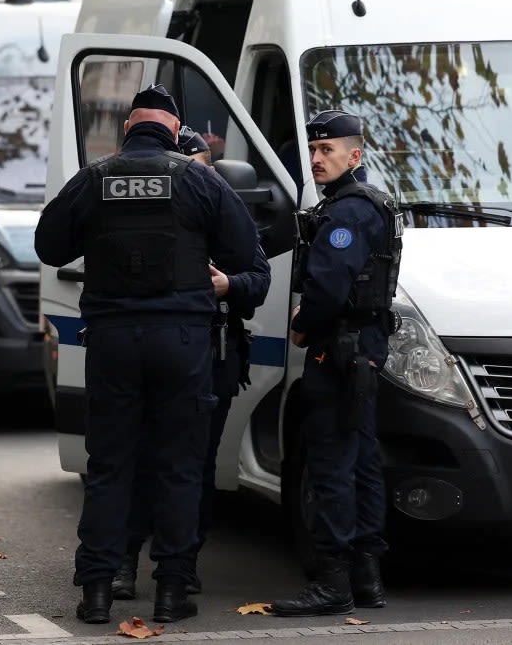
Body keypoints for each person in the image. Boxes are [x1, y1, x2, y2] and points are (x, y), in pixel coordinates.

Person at [34, 84, 259, 625]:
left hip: (112, 344)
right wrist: (228, 284)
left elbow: (48, 246)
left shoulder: (94, 180)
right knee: (179, 465)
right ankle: (172, 590)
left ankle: (96, 591)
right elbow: (253, 271)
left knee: (111, 465)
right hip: (182, 344)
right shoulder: (201, 180)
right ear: (176, 131)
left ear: (127, 130)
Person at [112, 126, 272, 601]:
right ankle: (124, 559)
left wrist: (229, 287)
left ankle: (180, 563)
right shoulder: (138, 221)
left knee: (194, 465)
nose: (200, 182)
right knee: (138, 460)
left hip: (212, 352)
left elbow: (258, 278)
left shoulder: (227, 217)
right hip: (148, 354)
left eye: (202, 170)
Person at [270, 110, 402, 617]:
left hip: (338, 350)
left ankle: (333, 583)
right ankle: (367, 578)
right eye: (314, 150)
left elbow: (327, 286)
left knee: (331, 467)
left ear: (356, 155)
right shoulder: (372, 203)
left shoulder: (346, 212)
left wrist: (305, 321)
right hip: (362, 349)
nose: (318, 159)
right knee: (363, 463)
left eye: (328, 150)